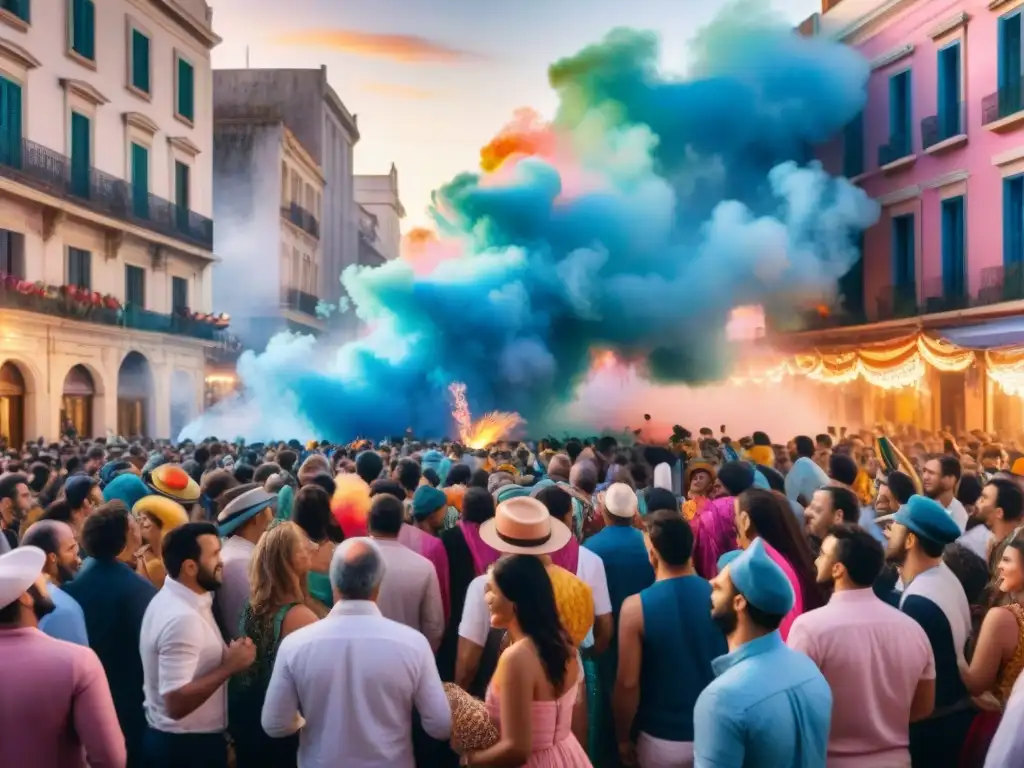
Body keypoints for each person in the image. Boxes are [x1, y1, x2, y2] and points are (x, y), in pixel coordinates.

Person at [261, 537, 451, 766]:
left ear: (333, 581)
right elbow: (440, 725)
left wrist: (310, 725)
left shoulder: (295, 646)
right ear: (378, 584)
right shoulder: (413, 645)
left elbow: (274, 724)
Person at [787, 524, 935, 766]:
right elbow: (923, 707)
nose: (816, 561)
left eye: (822, 555)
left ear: (838, 570)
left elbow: (793, 708)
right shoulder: (912, 630)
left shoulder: (809, 628)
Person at [693, 538, 832, 767]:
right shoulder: (810, 671)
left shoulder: (722, 699)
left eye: (718, 587)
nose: (710, 586)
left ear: (739, 603)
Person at [614, 510, 727, 767]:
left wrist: (621, 738)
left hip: (661, 738)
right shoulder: (720, 596)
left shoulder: (635, 608)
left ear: (652, 554)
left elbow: (628, 683)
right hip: (717, 731)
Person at [139, 522, 256, 768]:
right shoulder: (182, 618)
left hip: (186, 744)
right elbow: (175, 703)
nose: (221, 561)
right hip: (184, 750)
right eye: (214, 555)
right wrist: (229, 667)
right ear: (190, 567)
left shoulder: (186, 598)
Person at [459, 554, 593, 767]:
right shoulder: (564, 645)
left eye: (493, 590)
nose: (487, 598)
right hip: (567, 755)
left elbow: (517, 749)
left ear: (516, 603)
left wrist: (470, 760)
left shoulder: (517, 659)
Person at [0, 546, 127, 767]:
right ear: (25, 598)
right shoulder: (78, 661)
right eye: (39, 580)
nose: (46, 582)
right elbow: (110, 758)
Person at [64, 502, 157, 768]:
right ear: (129, 532)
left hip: (87, 700)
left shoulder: (83, 574)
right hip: (129, 703)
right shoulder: (136, 589)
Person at [886, 495, 974, 765]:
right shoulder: (942, 577)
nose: (889, 533)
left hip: (933, 732)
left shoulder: (919, 602)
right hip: (950, 722)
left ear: (910, 540)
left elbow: (910, 682)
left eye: (896, 527)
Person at [230, 522, 319, 767]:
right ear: (288, 559)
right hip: (285, 726)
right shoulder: (301, 617)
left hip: (250, 721)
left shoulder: (252, 607)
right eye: (303, 545)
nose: (310, 548)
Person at [367, 493, 446, 650]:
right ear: (401, 524)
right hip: (406, 654)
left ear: (368, 521)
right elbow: (434, 625)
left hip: (357, 655)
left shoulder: (347, 555)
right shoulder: (423, 566)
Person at [214, 486, 276, 639]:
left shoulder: (241, 553)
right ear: (256, 518)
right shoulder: (239, 563)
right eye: (268, 512)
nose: (272, 519)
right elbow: (249, 621)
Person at [20, 519, 89, 645]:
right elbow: (77, 662)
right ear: (52, 558)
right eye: (71, 548)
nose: (78, 555)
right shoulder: (63, 611)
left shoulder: (20, 600)